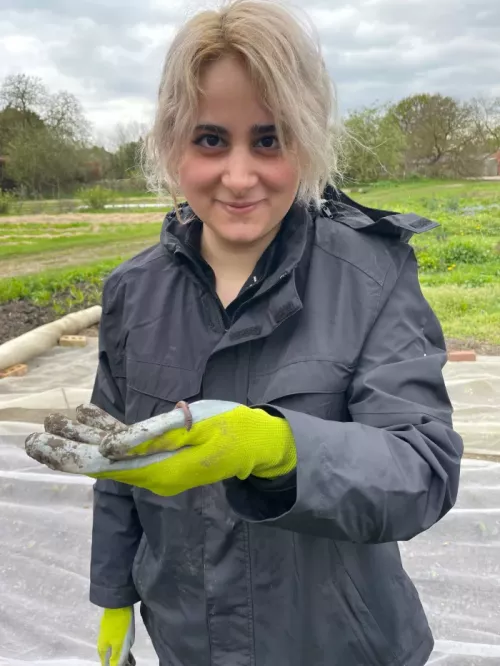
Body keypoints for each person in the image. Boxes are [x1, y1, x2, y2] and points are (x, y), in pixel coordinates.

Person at [25, 1, 464, 664]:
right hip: (188, 641)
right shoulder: (132, 292)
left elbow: (424, 469)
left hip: (341, 645)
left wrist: (280, 449)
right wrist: (113, 594)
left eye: (268, 139)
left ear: (306, 141)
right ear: (173, 143)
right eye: (210, 140)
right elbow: (114, 460)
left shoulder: (373, 275)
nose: (238, 176)